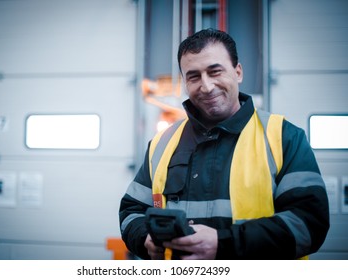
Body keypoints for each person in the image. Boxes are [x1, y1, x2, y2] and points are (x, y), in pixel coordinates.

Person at [119, 28, 329, 260]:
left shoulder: (284, 137)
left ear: (238, 72)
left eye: (215, 71)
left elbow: (309, 224)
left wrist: (224, 243)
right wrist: (145, 238)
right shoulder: (162, 143)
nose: (206, 86)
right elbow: (131, 211)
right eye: (194, 76)